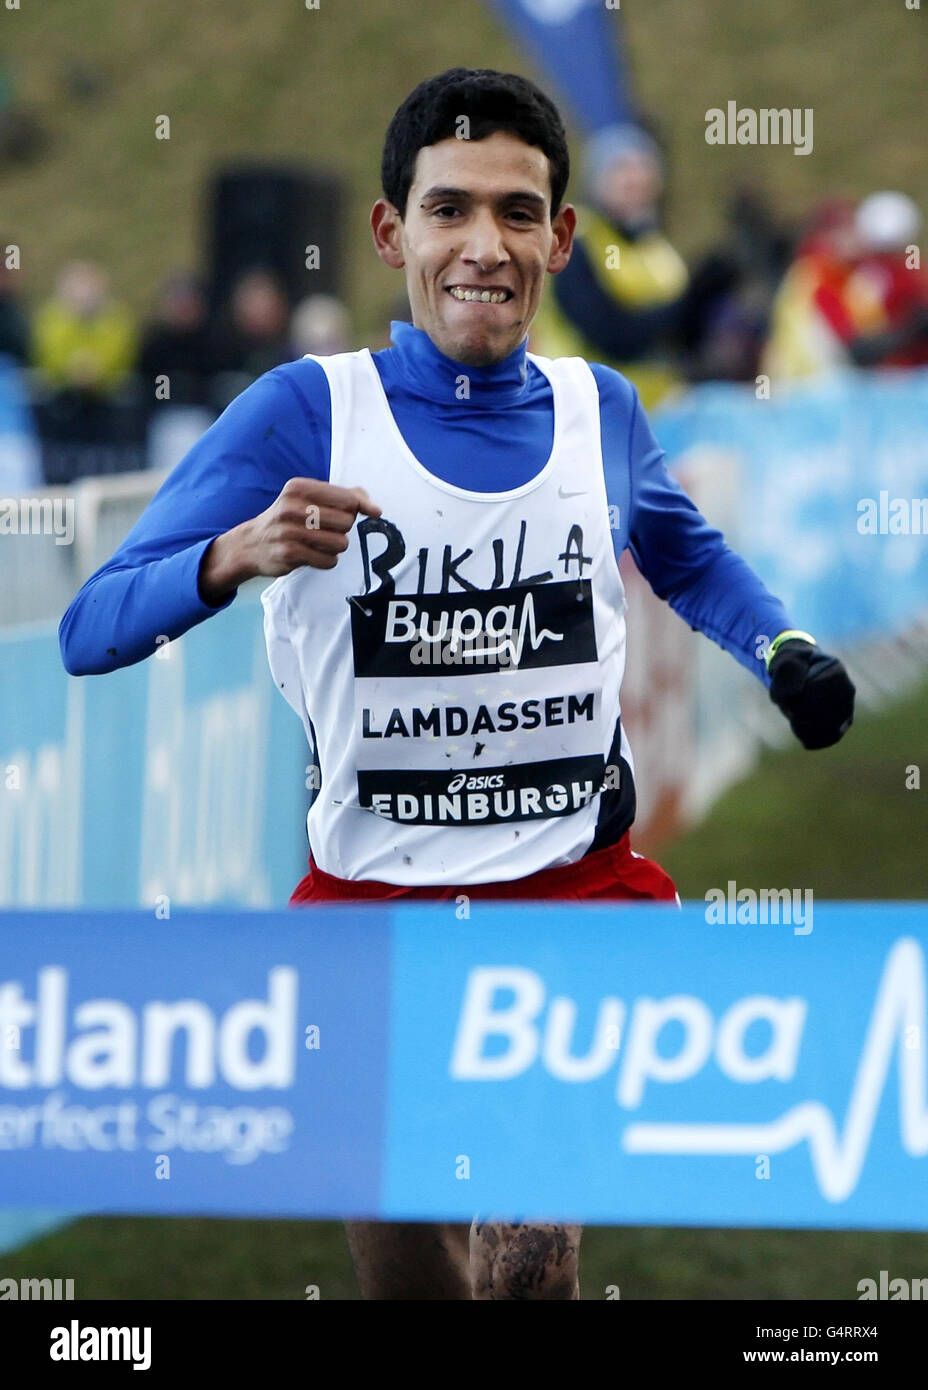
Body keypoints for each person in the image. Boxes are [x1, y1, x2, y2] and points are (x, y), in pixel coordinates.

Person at [58, 68, 855, 1300]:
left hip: (567, 903)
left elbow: (689, 557)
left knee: (527, 1269)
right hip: (370, 916)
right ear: (393, 233)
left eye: (516, 212)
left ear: (560, 238)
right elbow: (87, 627)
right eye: (449, 209)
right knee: (411, 1283)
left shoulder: (599, 410)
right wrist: (234, 553)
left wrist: (781, 650)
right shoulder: (305, 412)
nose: (484, 245)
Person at [529, 121, 689, 410]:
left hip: (656, 410)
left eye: (643, 170)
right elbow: (610, 333)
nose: (635, 181)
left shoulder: (658, 249)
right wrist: (683, 310)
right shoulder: (577, 241)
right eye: (622, 170)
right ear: (596, 181)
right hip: (582, 407)